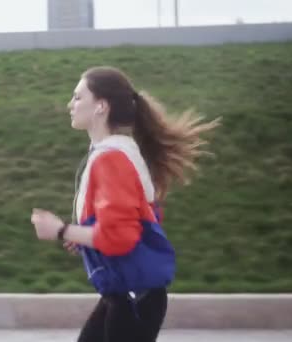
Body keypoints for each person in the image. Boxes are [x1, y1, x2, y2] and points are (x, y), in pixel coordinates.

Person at [30, 66, 219, 342]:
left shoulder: (112, 159)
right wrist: (83, 238)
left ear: (101, 107)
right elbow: (134, 223)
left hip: (134, 300)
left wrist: (61, 230)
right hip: (126, 295)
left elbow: (120, 237)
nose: (70, 104)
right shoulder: (115, 154)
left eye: (78, 97)